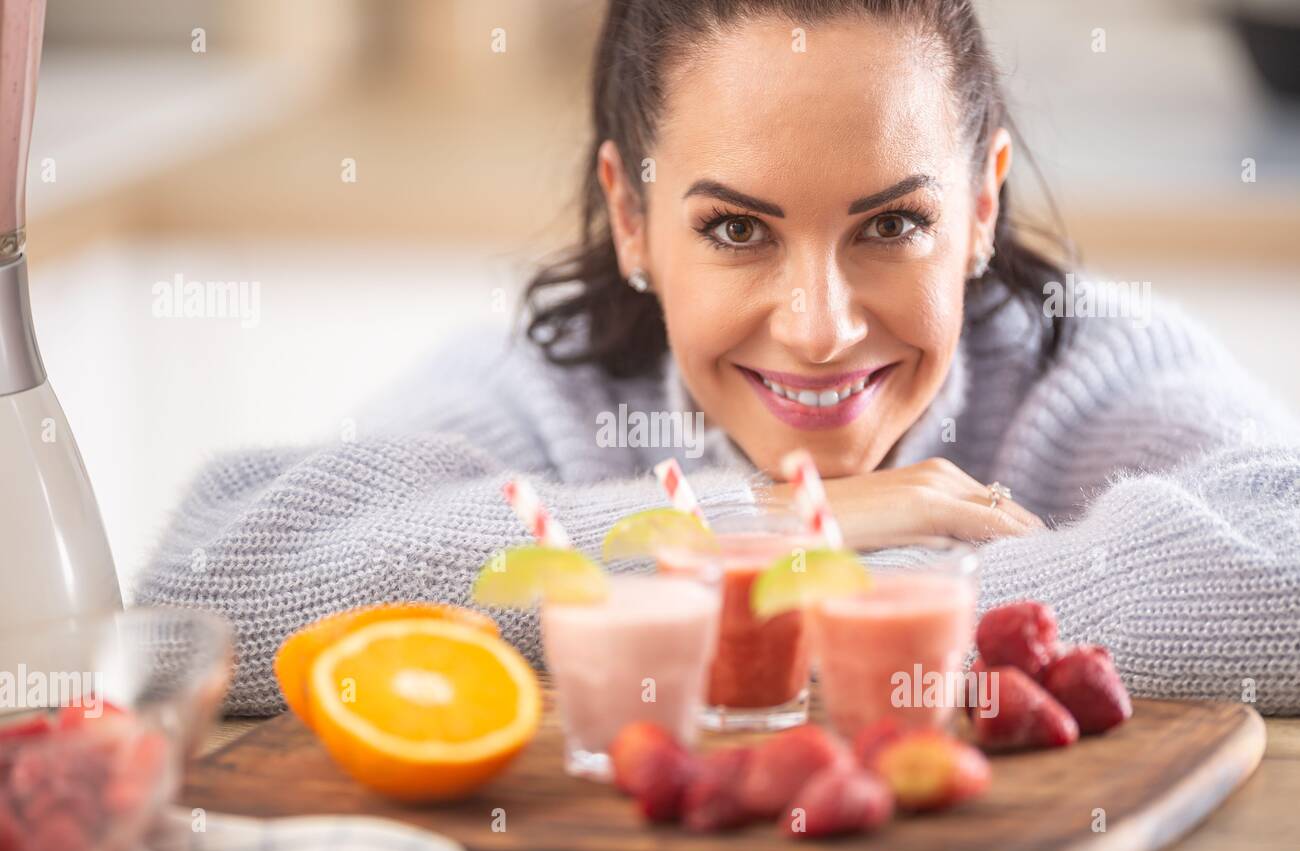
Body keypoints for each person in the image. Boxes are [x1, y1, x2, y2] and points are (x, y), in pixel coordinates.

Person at [137, 0, 1300, 716]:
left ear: (982, 205)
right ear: (631, 216)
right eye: (736, 229)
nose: (818, 327)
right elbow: (211, 587)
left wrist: (739, 607)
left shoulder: (1084, 360)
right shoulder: (544, 382)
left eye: (892, 223)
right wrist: (785, 526)